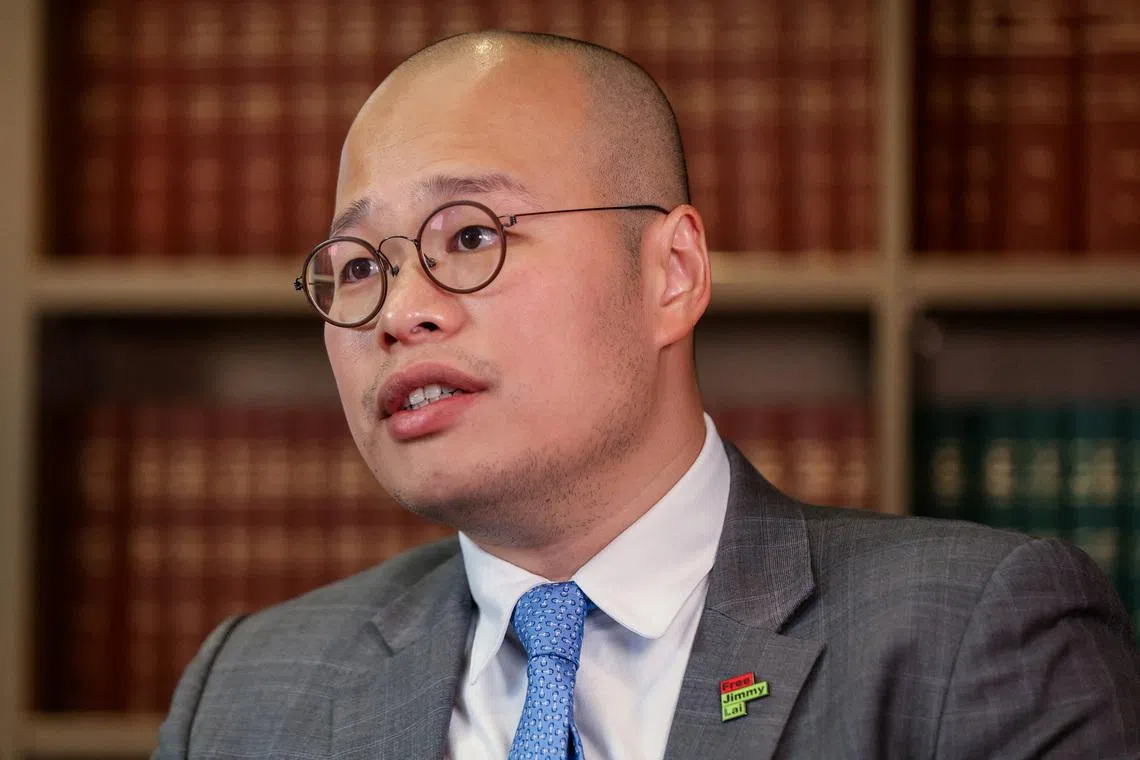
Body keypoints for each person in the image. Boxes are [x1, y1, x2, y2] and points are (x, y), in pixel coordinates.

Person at [154, 31, 1140, 759]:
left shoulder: (972, 640)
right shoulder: (246, 693)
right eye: (359, 264)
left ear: (672, 270)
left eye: (469, 236)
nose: (400, 311)